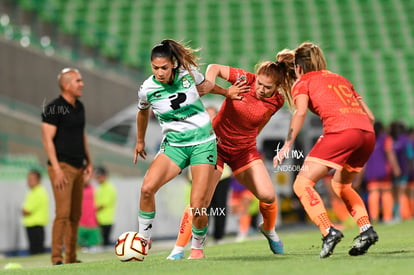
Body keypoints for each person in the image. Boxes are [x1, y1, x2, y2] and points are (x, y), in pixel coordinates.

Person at [166, 50, 296, 260]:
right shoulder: (245, 79)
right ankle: (182, 249)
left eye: (267, 87)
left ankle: (269, 230)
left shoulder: (277, 102)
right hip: (214, 147)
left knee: (268, 197)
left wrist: (249, 142)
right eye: (260, 84)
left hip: (244, 151)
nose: (261, 89)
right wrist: (211, 85)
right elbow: (214, 68)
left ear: (277, 87)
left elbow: (258, 124)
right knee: (200, 201)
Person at [273, 42, 378, 258]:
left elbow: (300, 112)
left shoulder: (303, 82)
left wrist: (287, 145)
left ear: (298, 68)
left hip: (341, 132)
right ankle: (366, 229)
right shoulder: (341, 79)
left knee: (302, 184)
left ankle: (328, 231)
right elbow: (371, 117)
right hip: (367, 134)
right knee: (342, 185)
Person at [134, 39, 226, 260]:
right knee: (147, 188)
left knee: (197, 206)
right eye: (155, 68)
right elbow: (142, 112)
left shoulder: (189, 73)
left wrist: (228, 93)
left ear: (173, 64)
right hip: (174, 146)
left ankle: (197, 247)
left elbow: (206, 86)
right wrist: (140, 141)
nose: (159, 72)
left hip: (202, 143)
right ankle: (143, 240)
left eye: (164, 68)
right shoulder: (147, 89)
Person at [41, 68, 93, 265]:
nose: (82, 84)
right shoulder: (54, 108)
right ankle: (56, 258)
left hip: (78, 166)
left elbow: (82, 135)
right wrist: (56, 169)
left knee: (75, 215)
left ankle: (71, 257)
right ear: (66, 85)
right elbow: (47, 140)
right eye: (78, 81)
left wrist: (89, 161)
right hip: (62, 166)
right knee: (62, 214)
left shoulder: (79, 106)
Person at [364, 121, 400, 223]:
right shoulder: (386, 139)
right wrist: (396, 167)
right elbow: (390, 154)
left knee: (373, 193)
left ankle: (374, 218)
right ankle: (387, 217)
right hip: (384, 171)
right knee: (386, 192)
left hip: (371, 171)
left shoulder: (368, 139)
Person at [22, 169, 49, 255]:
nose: (29, 181)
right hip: (35, 224)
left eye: (31, 179)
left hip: (35, 225)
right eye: (28, 179)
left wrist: (23, 210)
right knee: (37, 249)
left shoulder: (37, 192)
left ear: (38, 180)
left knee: (36, 251)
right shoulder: (35, 191)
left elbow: (26, 211)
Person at [390, 121, 412, 221]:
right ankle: (401, 214)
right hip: (401, 171)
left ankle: (401, 215)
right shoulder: (404, 140)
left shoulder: (393, 141)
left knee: (399, 193)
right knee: (400, 193)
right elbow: (410, 156)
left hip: (400, 171)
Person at [78, 171, 101, 252]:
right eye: (84, 176)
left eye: (88, 176)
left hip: (92, 223)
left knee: (95, 247)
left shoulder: (94, 190)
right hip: (80, 223)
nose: (86, 179)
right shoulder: (77, 190)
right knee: (78, 247)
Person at [94, 166, 117, 247]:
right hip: (99, 219)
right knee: (101, 242)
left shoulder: (109, 188)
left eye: (99, 177)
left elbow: (103, 204)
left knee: (105, 242)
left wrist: (92, 210)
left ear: (104, 176)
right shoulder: (100, 187)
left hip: (106, 220)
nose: (97, 179)